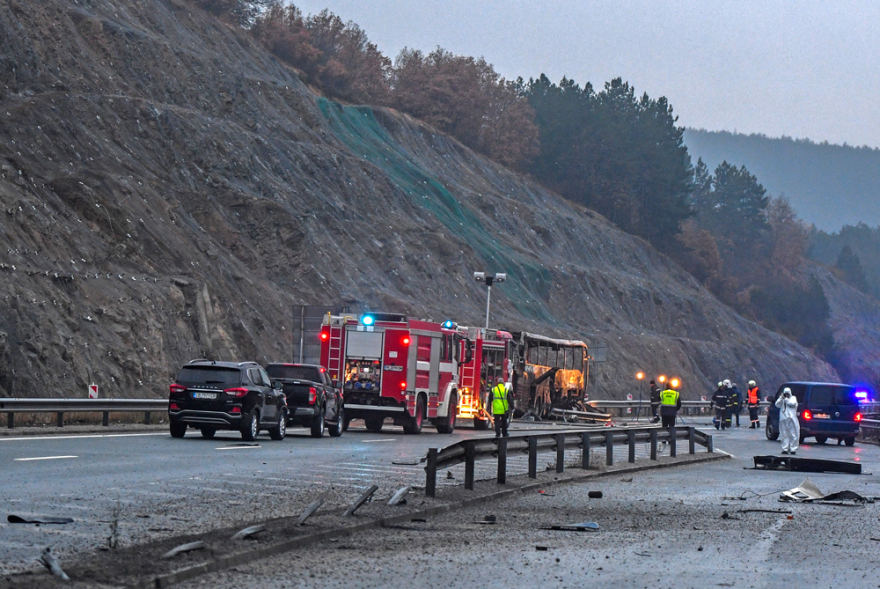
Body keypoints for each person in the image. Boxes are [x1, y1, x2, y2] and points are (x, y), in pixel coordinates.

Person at [775, 387, 800, 454]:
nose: (786, 395)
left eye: (787, 393)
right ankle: (785, 448)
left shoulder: (793, 398)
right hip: (783, 419)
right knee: (784, 434)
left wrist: (786, 399)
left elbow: (793, 403)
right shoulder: (782, 399)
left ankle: (793, 449)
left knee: (793, 434)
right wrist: (781, 398)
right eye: (785, 393)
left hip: (792, 419)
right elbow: (777, 404)